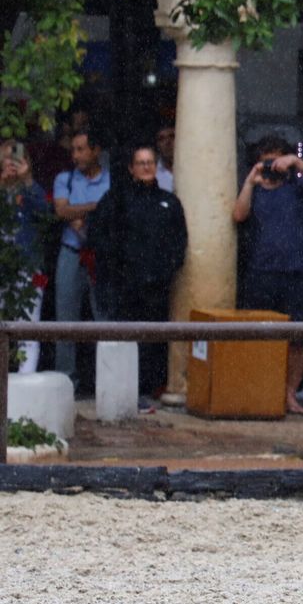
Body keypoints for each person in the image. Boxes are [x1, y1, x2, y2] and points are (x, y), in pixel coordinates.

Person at [232, 134, 303, 414]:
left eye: (276, 158)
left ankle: (289, 394)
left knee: (298, 338)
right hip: (260, 271)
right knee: (258, 335)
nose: (271, 165)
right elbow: (238, 215)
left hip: (296, 272)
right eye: (266, 159)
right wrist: (251, 181)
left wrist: (297, 161)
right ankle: (259, 391)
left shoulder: (298, 185)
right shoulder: (254, 187)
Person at [88, 145, 188, 411]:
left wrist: (165, 270)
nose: (146, 167)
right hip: (124, 286)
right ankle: (124, 393)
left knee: (152, 341)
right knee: (125, 339)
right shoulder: (117, 199)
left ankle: (147, 390)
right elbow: (98, 235)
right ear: (131, 168)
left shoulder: (169, 202)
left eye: (150, 162)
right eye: (140, 163)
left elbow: (180, 242)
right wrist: (116, 269)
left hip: (156, 286)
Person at [52, 127, 112, 386]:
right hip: (71, 253)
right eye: (73, 150)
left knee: (105, 321)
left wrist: (80, 213)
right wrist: (95, 208)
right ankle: (66, 381)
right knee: (65, 320)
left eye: (81, 149)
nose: (75, 155)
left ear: (96, 151)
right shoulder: (64, 179)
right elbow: (61, 211)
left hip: (101, 256)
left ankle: (107, 381)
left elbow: (112, 214)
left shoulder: (112, 180)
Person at [0, 141, 50, 372]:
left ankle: (25, 380)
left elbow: (45, 214)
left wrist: (27, 180)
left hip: (27, 266)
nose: (12, 162)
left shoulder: (31, 189)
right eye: (7, 158)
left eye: (17, 158)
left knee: (28, 327)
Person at [154, 121, 176, 193]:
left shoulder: (194, 168)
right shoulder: (152, 174)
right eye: (161, 139)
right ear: (157, 145)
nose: (167, 142)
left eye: (172, 136)